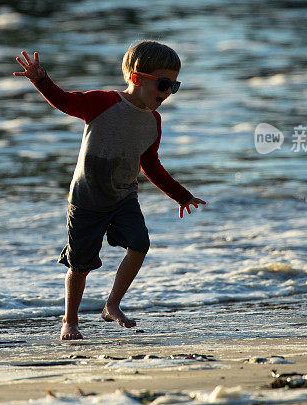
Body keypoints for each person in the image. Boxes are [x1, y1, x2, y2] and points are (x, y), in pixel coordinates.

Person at [13, 41, 206, 340]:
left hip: (123, 196)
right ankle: (70, 321)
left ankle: (112, 304)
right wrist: (41, 79)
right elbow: (64, 101)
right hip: (87, 198)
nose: (168, 93)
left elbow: (150, 164)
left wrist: (181, 195)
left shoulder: (153, 121)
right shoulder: (102, 102)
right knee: (80, 265)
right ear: (137, 78)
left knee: (140, 243)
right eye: (164, 84)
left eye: (174, 86)